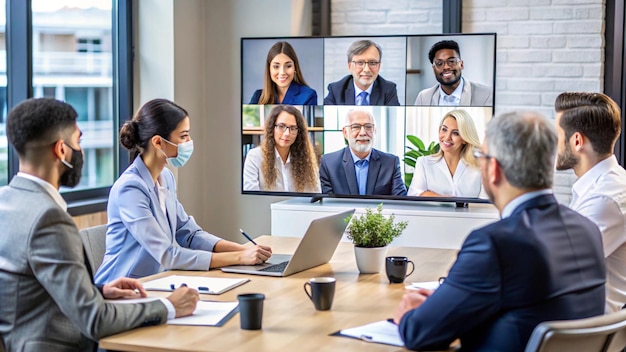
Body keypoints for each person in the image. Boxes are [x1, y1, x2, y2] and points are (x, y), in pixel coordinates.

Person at [393, 111, 606, 351]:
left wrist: (409, 312)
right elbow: (528, 305)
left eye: (481, 156)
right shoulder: (587, 230)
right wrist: (448, 302)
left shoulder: (494, 244)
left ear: (493, 168)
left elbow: (419, 333)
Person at [0, 98, 199, 351]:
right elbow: (94, 320)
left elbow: (30, 289)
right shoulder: (48, 219)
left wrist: (100, 290)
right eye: (78, 141)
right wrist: (169, 306)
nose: (80, 150)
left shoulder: (6, 201)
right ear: (62, 150)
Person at [95, 99, 272, 284]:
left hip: (154, 283)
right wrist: (239, 259)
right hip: (119, 290)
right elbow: (167, 255)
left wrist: (243, 250)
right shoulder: (130, 188)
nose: (189, 142)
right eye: (184, 136)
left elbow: (189, 234)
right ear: (158, 142)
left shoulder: (166, 177)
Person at [554, 92, 626, 313]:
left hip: (582, 331)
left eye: (557, 135)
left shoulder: (604, 199)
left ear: (577, 141)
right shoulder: (603, 185)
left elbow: (555, 267)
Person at [319, 109, 406, 196]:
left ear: (375, 131)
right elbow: (328, 203)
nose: (363, 133)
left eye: (368, 127)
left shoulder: (390, 162)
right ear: (345, 133)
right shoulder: (328, 163)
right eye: (356, 127)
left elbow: (401, 202)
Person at [407, 109, 485, 198]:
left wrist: (428, 194)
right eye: (444, 129)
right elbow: (414, 195)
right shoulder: (424, 162)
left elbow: (486, 204)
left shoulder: (481, 166)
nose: (447, 137)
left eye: (455, 133)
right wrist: (444, 199)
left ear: (465, 139)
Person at [243, 104, 321, 192]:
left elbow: (315, 195)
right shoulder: (255, 157)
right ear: (272, 128)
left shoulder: (306, 159)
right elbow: (251, 197)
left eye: (293, 128)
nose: (287, 133)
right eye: (281, 126)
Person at [414, 40, 492, 106]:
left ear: (461, 64)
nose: (446, 67)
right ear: (434, 69)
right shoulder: (423, 97)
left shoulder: (485, 94)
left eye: (451, 61)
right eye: (439, 63)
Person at [324, 40, 400, 106]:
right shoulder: (336, 90)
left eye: (372, 62)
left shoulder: (388, 89)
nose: (366, 69)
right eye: (360, 62)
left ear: (379, 66)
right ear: (350, 66)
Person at [249, 41, 317, 105]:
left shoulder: (308, 95)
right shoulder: (258, 97)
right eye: (276, 66)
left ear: (295, 67)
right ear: (269, 69)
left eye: (288, 66)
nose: (282, 72)